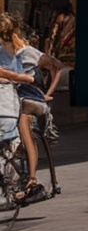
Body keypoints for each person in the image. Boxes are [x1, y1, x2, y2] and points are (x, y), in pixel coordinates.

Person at [0, 14, 62, 202]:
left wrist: (46, 93)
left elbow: (56, 66)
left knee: (23, 123)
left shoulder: (25, 51)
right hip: (16, 98)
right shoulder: (8, 51)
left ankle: (32, 179)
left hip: (31, 100)